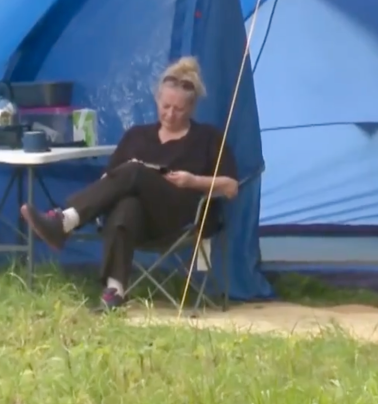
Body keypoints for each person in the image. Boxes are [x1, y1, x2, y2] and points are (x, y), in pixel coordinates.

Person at [20, 57, 239, 311]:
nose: (169, 114)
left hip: (182, 216)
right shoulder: (137, 136)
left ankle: (65, 220)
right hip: (143, 222)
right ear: (157, 99)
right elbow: (110, 179)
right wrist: (108, 184)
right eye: (165, 105)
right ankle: (115, 291)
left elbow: (231, 187)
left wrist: (192, 180)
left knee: (134, 170)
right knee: (126, 205)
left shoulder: (208, 138)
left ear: (191, 108)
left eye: (178, 109)